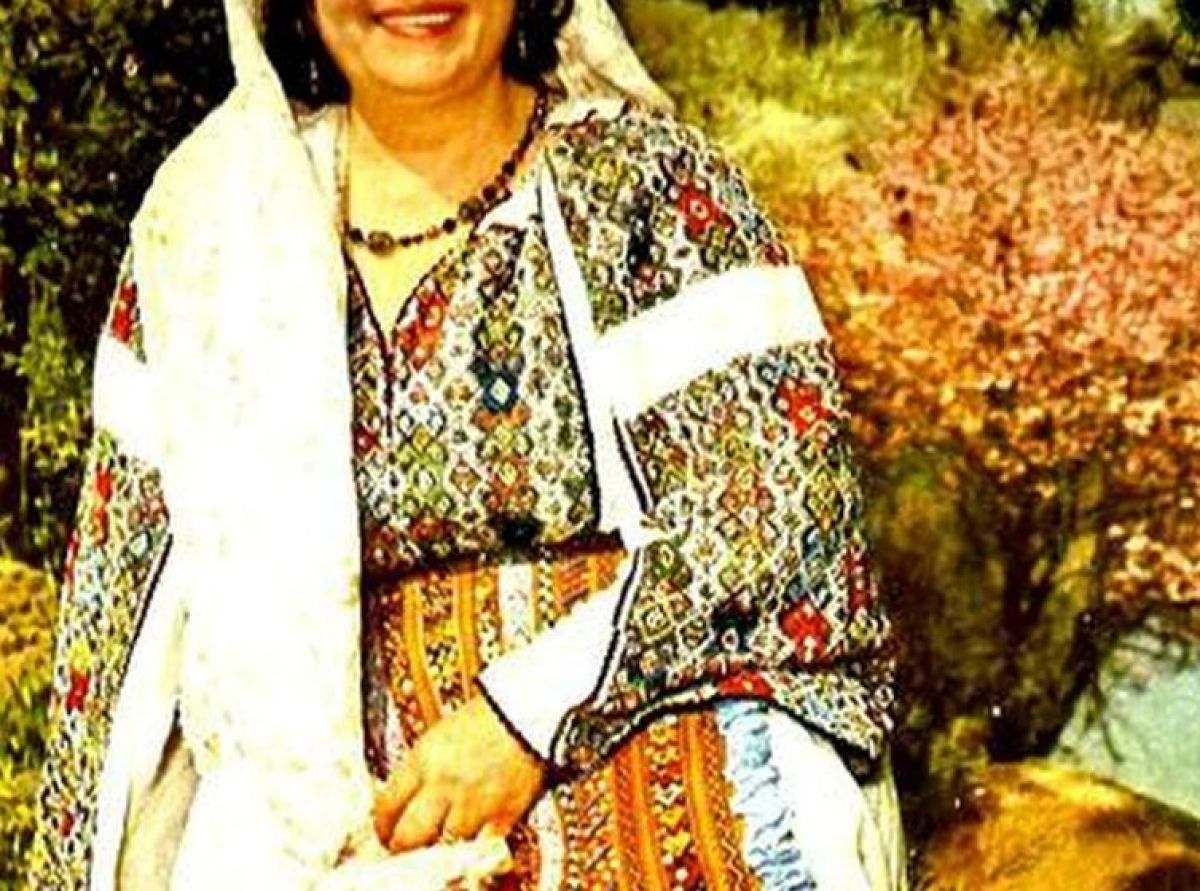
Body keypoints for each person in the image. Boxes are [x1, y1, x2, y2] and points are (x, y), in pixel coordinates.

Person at [28, 0, 908, 886]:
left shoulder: (648, 189)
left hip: (642, 737)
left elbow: (775, 520)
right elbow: (115, 633)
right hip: (316, 824)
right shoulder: (208, 235)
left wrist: (526, 717)